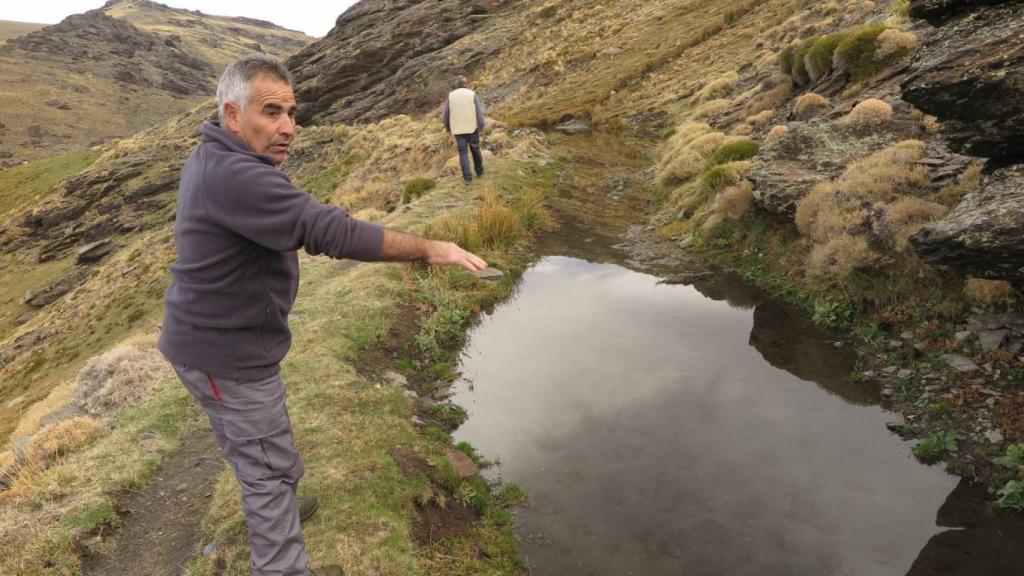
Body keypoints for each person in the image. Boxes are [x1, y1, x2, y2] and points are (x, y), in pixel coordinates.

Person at [157, 54, 487, 576]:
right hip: (227, 354)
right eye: (271, 112)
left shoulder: (213, 157)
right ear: (231, 114)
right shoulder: (239, 176)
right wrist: (430, 248)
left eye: (291, 113)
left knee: (260, 454)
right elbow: (327, 230)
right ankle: (281, 554)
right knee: (266, 470)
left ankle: (277, 499)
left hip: (211, 344)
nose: (287, 127)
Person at [442, 75, 486, 184]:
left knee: (463, 153)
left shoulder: (451, 96)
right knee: (475, 149)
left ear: (456, 85)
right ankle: (479, 171)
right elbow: (479, 112)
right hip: (472, 127)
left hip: (458, 129)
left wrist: (447, 128)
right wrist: (481, 126)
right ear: (466, 84)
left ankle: (467, 178)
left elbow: (446, 114)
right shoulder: (472, 94)